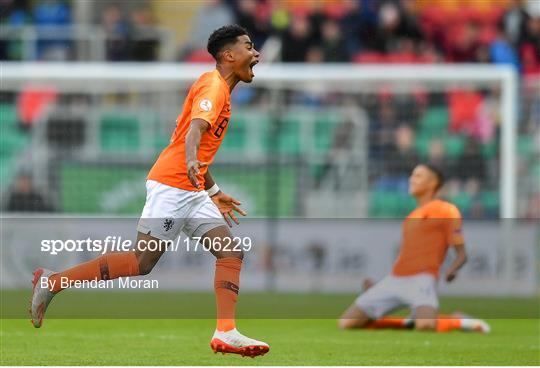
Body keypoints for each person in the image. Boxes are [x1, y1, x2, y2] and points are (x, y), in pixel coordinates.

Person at [30, 24, 269, 357]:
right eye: (249, 47)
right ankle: (52, 282)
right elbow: (194, 135)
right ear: (229, 55)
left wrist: (212, 190)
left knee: (230, 252)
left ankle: (226, 332)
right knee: (141, 263)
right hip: (173, 184)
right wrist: (190, 163)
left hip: (192, 187)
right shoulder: (214, 88)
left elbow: (197, 147)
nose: (256, 54)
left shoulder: (215, 87)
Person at [338, 163, 490, 333]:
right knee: (346, 323)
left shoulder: (446, 210)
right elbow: (407, 257)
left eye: (418, 176)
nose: (411, 179)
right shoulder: (411, 217)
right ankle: (407, 322)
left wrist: (452, 269)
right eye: (412, 175)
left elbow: (462, 254)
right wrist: (379, 286)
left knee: (425, 327)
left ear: (433, 183)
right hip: (395, 279)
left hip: (422, 278)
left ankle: (455, 320)